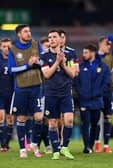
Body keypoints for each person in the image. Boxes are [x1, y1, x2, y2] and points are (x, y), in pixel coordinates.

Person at [8, 24, 43, 158]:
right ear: (19, 34)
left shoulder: (35, 45)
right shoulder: (13, 49)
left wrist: (37, 63)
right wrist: (27, 65)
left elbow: (43, 63)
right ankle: (22, 148)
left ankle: (34, 143)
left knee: (39, 117)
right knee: (21, 118)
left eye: (29, 31)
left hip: (36, 87)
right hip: (21, 88)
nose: (29, 33)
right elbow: (11, 70)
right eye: (25, 31)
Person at [40, 29, 76, 160]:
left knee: (69, 120)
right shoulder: (43, 56)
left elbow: (72, 74)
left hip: (66, 93)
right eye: (49, 38)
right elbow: (47, 74)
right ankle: (55, 151)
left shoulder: (70, 55)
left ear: (60, 40)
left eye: (54, 37)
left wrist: (63, 64)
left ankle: (64, 147)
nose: (52, 39)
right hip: (51, 94)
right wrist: (57, 62)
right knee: (53, 123)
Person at [74, 44, 111, 153]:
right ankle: (87, 146)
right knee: (85, 122)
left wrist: (98, 93)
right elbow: (76, 82)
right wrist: (81, 93)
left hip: (97, 100)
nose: (83, 54)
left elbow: (106, 83)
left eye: (86, 52)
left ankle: (91, 144)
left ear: (92, 53)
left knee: (95, 124)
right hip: (84, 100)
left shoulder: (103, 67)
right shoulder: (80, 67)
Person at [0, 38, 14, 152]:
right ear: (1, 47)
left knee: (10, 120)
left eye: (8, 46)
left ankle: (6, 144)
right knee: (1, 118)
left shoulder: (15, 61)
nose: (6, 49)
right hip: (0, 94)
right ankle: (2, 143)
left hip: (12, 94)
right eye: (4, 46)